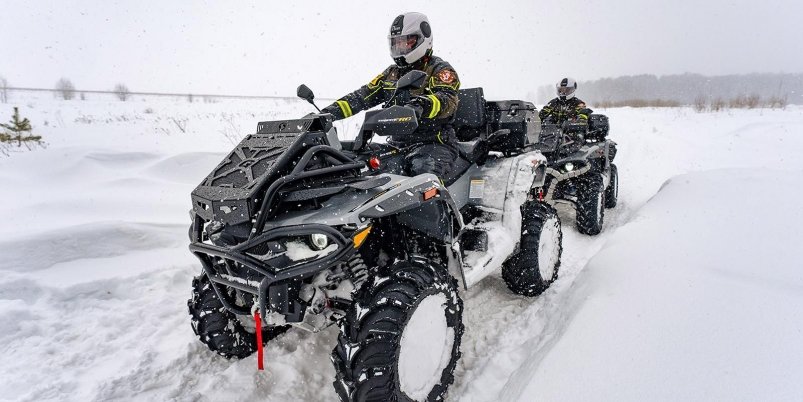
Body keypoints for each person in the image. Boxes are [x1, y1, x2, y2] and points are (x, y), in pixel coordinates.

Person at [321, 12, 461, 181]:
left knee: (424, 177)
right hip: (398, 144)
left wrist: (422, 105)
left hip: (434, 143)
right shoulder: (391, 74)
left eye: (406, 42)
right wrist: (326, 114)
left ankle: (438, 198)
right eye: (397, 43)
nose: (400, 47)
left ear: (423, 38)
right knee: (357, 166)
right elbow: (361, 97)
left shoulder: (440, 70)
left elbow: (447, 100)